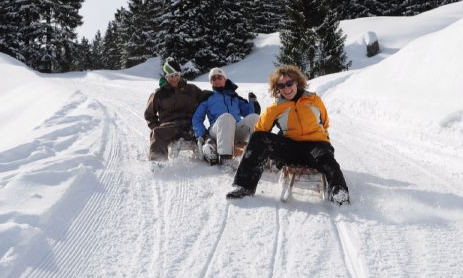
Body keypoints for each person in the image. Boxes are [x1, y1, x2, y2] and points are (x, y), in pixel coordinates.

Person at [226, 65, 350, 205]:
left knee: (327, 160)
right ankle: (245, 186)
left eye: (289, 83)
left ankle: (338, 191)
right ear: (277, 88)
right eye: (281, 85)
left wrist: (322, 140)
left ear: (297, 82)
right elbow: (260, 130)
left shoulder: (314, 100)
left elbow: (325, 123)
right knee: (258, 137)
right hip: (292, 148)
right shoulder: (276, 107)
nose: (286, 88)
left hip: (316, 145)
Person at [192, 67, 260, 164]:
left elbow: (250, 113)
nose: (217, 80)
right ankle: (225, 158)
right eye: (213, 79)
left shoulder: (234, 97)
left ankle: (258, 152)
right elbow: (197, 118)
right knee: (226, 117)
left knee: (254, 117)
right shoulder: (207, 97)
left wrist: (253, 103)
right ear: (211, 82)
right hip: (217, 131)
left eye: (219, 77)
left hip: (236, 130)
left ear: (225, 79)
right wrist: (202, 135)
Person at [144, 57, 203, 161]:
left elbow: (205, 97)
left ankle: (211, 157)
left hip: (189, 125)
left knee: (205, 133)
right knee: (157, 133)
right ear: (166, 77)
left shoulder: (191, 89)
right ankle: (158, 162)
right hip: (169, 126)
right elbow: (149, 114)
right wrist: (157, 126)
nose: (174, 79)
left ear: (180, 75)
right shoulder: (159, 94)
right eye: (171, 76)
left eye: (176, 75)